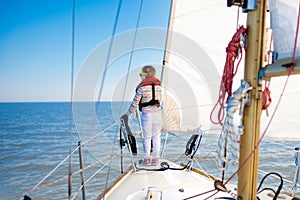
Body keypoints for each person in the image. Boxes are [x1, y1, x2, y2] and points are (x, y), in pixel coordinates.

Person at [124, 65, 162, 165]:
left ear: (146, 75)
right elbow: (161, 99)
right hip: (158, 114)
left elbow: (135, 103)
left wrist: (128, 114)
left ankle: (147, 159)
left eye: (142, 74)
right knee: (156, 137)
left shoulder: (142, 88)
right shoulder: (158, 87)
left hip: (147, 115)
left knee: (147, 137)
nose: (141, 77)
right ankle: (155, 159)